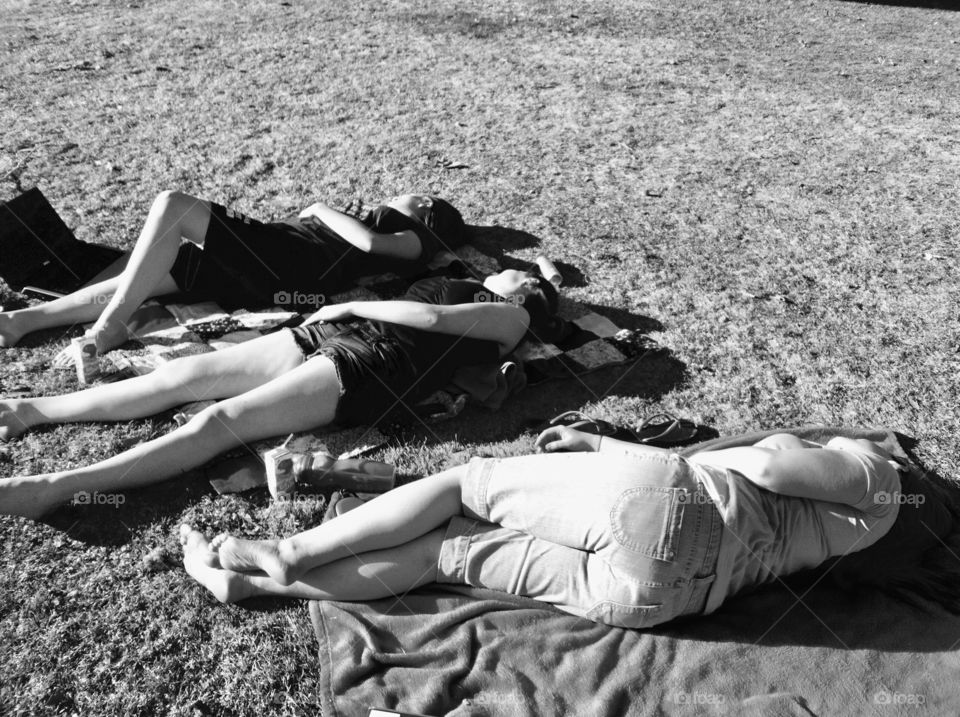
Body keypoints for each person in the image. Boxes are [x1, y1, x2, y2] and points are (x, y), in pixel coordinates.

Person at [177, 427, 958, 628]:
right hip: (665, 597)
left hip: (677, 508)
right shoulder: (861, 546)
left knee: (462, 487)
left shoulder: (882, 480)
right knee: (441, 555)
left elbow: (771, 472)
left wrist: (789, 446)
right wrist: (604, 447)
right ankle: (246, 586)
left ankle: (286, 553)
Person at [0, 268, 561, 518]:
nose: (508, 270)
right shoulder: (485, 287)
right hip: (338, 335)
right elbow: (534, 274)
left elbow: (431, 315)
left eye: (520, 274)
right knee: (180, 379)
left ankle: (57, 486)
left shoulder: (509, 316)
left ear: (530, 294)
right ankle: (30, 410)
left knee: (219, 422)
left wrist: (350, 305)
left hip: (372, 361)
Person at [0, 191, 466, 352]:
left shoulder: (417, 235)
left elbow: (367, 243)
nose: (396, 196)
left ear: (425, 206)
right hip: (273, 265)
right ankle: (25, 322)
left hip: (288, 264)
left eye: (408, 194)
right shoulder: (394, 222)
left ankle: (111, 324)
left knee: (174, 206)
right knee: (154, 271)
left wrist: (322, 208)